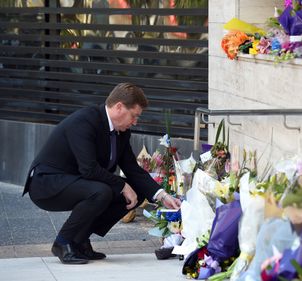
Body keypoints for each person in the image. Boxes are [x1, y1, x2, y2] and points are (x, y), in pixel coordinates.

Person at [22, 82, 182, 264]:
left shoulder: (122, 132)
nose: (135, 122)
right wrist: (122, 185)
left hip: (77, 181)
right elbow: (88, 169)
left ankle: (80, 240)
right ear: (119, 107)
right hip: (47, 184)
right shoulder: (85, 121)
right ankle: (63, 242)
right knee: (102, 191)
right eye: (134, 116)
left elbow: (132, 169)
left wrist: (162, 196)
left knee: (134, 189)